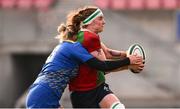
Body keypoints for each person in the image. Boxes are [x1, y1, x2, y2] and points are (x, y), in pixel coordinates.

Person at [25, 23, 142, 108]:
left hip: (40, 94)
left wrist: (128, 63)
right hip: (44, 97)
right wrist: (128, 60)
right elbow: (102, 65)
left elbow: (100, 69)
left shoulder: (63, 48)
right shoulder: (74, 48)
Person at [66, 6, 145, 108]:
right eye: (100, 18)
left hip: (97, 87)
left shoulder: (87, 34)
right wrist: (129, 61)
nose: (104, 22)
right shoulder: (89, 38)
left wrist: (127, 54)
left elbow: (107, 53)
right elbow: (104, 67)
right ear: (90, 21)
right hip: (83, 94)